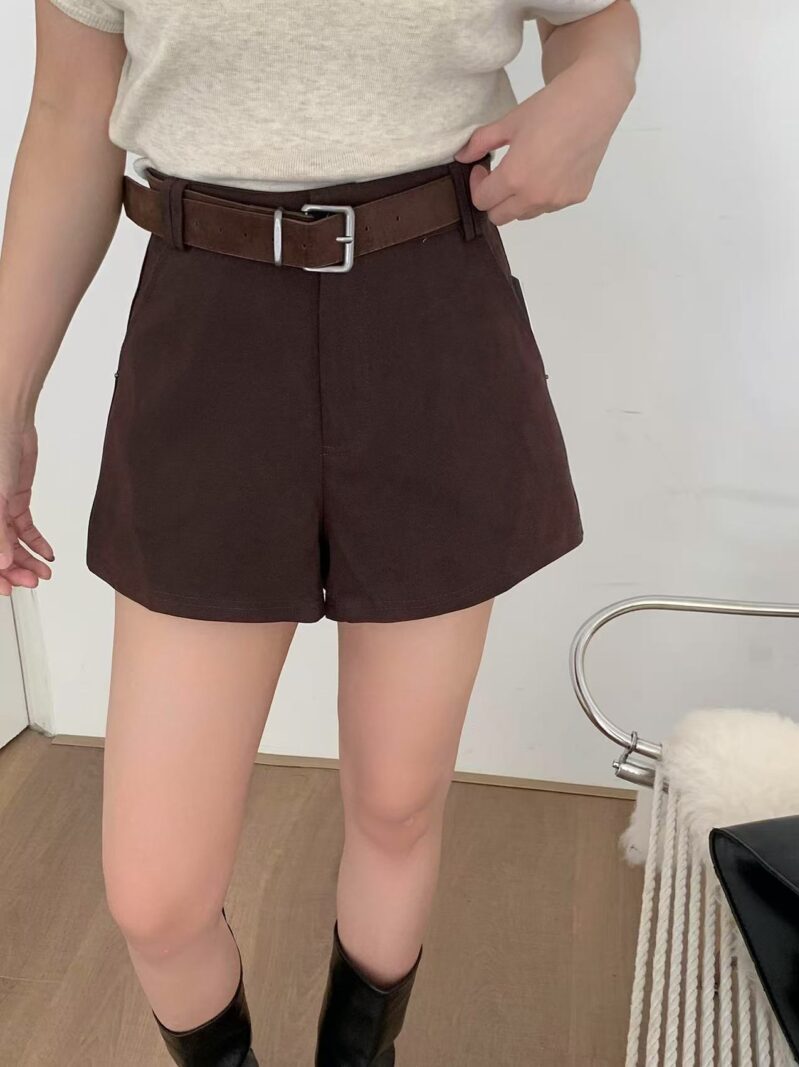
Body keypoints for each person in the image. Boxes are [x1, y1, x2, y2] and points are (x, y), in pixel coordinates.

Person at [0, 2, 641, 1064]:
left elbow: (596, 20)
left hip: (429, 315)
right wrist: (6, 401)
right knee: (156, 894)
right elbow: (71, 112)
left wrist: (601, 83)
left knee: (397, 803)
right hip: (206, 329)